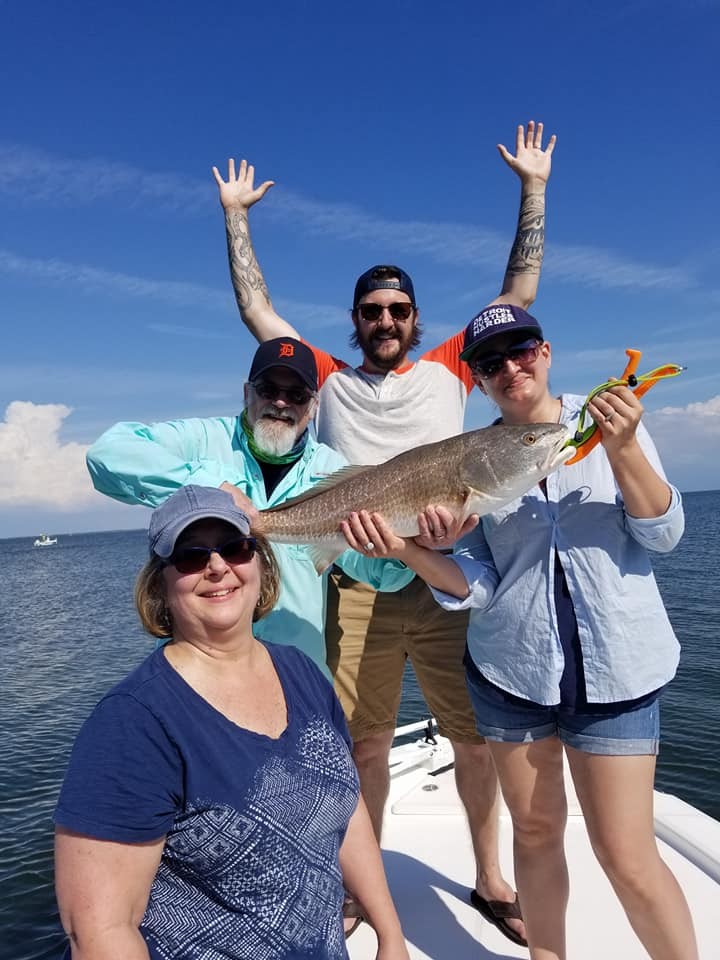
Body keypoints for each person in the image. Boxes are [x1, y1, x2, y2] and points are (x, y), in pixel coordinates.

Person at [211, 121, 557, 945]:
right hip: (358, 587)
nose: (386, 320)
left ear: (416, 317)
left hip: (446, 582)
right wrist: (236, 216)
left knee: (473, 743)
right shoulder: (327, 378)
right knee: (364, 747)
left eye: (398, 309)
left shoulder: (450, 367)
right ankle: (361, 888)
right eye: (372, 311)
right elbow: (258, 312)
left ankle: (490, 877)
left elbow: (518, 294)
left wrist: (533, 187)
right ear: (355, 321)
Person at [338, 303, 698, 960]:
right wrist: (409, 550)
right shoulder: (475, 457)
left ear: (546, 352)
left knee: (626, 856)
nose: (510, 367)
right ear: (477, 380)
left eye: (522, 350)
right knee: (532, 834)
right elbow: (477, 582)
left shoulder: (610, 421)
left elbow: (662, 534)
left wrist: (622, 450)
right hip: (511, 673)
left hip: (617, 671)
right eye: (490, 362)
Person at [54, 485, 410, 960]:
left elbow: (344, 809)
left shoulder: (302, 671)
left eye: (235, 547)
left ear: (260, 563)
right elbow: (99, 930)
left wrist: (390, 933)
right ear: (159, 585)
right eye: (191, 556)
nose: (217, 566)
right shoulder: (134, 722)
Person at [86, 337, 414, 678]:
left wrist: (406, 549)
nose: (281, 402)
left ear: (314, 406)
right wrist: (209, 486)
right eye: (268, 390)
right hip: (195, 673)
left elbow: (380, 575)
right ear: (247, 393)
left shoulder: (332, 469)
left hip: (295, 674)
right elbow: (106, 454)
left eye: (297, 395)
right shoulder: (203, 440)